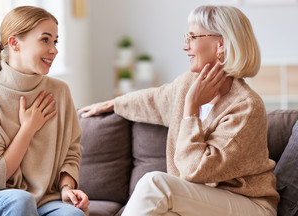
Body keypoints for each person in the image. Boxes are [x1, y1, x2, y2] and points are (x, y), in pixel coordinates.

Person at [80, 5, 278, 216]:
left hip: (249, 205)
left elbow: (195, 170)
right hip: (200, 202)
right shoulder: (187, 84)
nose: (185, 47)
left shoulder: (246, 106)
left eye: (192, 37)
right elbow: (154, 100)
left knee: (154, 183)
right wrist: (114, 104)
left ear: (220, 44)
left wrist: (191, 108)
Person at [0, 6, 89, 216]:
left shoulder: (60, 92)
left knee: (73, 214)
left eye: (55, 41)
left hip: (45, 201)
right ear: (15, 43)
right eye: (45, 39)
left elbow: (71, 152)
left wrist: (66, 188)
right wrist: (28, 129)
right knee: (21, 200)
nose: (54, 49)